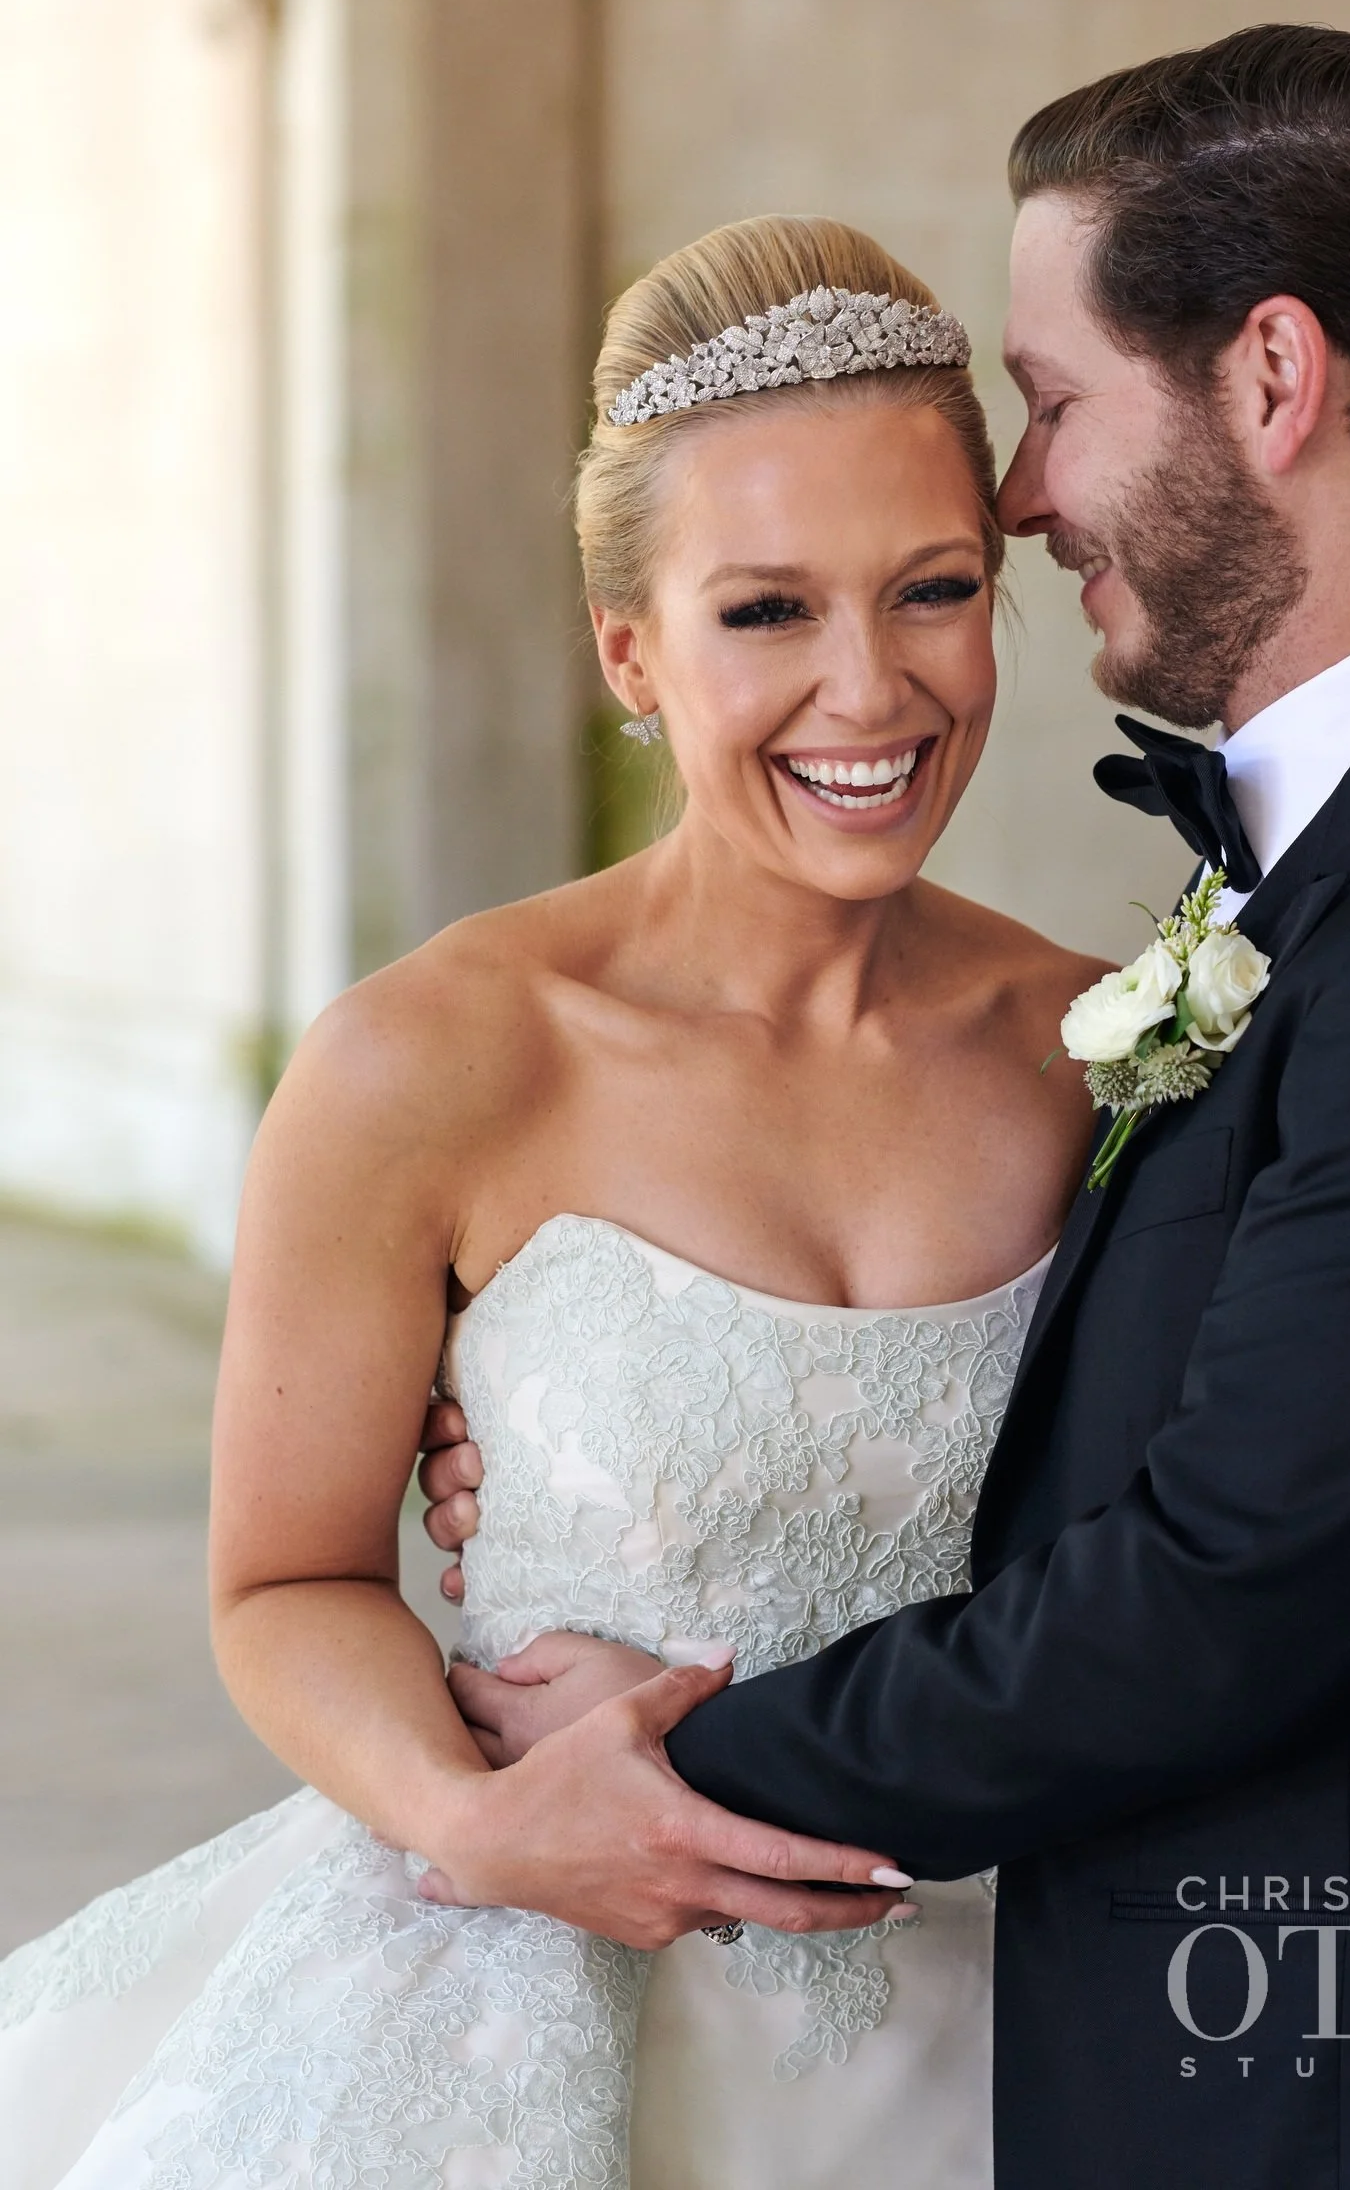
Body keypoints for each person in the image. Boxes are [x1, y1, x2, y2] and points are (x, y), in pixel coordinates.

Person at [425, 26, 1350, 2188]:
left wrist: (673, 1747)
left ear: (1268, 381)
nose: (1021, 492)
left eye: (1051, 405)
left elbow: (1233, 1572)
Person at [0, 215, 1104, 2188]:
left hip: (1000, 2031)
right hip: (503, 2013)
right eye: (763, 612)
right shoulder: (429, 1063)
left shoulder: (1101, 1058)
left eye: (931, 591)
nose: (871, 689)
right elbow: (286, 1583)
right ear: (628, 650)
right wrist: (473, 1815)